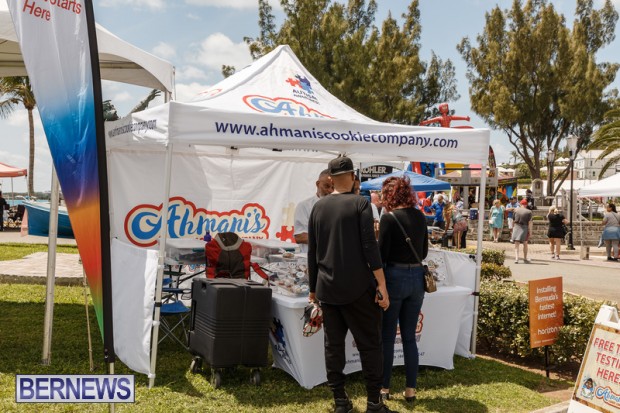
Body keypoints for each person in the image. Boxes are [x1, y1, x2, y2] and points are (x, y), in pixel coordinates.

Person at [307, 156, 395, 413]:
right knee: (370, 346)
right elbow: (370, 247)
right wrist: (382, 284)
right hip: (359, 289)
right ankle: (373, 402)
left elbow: (312, 253)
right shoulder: (361, 203)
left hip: (327, 288)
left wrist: (313, 291)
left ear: (330, 178)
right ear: (354, 177)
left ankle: (340, 401)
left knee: (333, 348)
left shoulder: (318, 207)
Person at [377, 176, 428, 405]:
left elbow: (381, 255)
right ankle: (410, 389)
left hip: (394, 277)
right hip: (417, 277)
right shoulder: (420, 216)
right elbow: (424, 252)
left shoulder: (388, 218)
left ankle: (384, 387)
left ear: (389, 195)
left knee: (387, 336)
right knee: (409, 337)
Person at [294, 169, 333, 252]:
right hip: (311, 257)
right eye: (326, 186)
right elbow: (299, 236)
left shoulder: (340, 207)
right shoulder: (304, 206)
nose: (330, 190)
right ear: (318, 184)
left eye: (333, 187)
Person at [511, 199, 533, 264]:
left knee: (516, 244)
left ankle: (516, 258)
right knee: (525, 243)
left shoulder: (515, 210)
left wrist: (512, 229)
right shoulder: (529, 212)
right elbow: (530, 222)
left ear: (520, 204)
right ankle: (525, 258)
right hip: (524, 228)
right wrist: (530, 232)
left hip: (516, 227)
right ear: (526, 205)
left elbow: (513, 221)